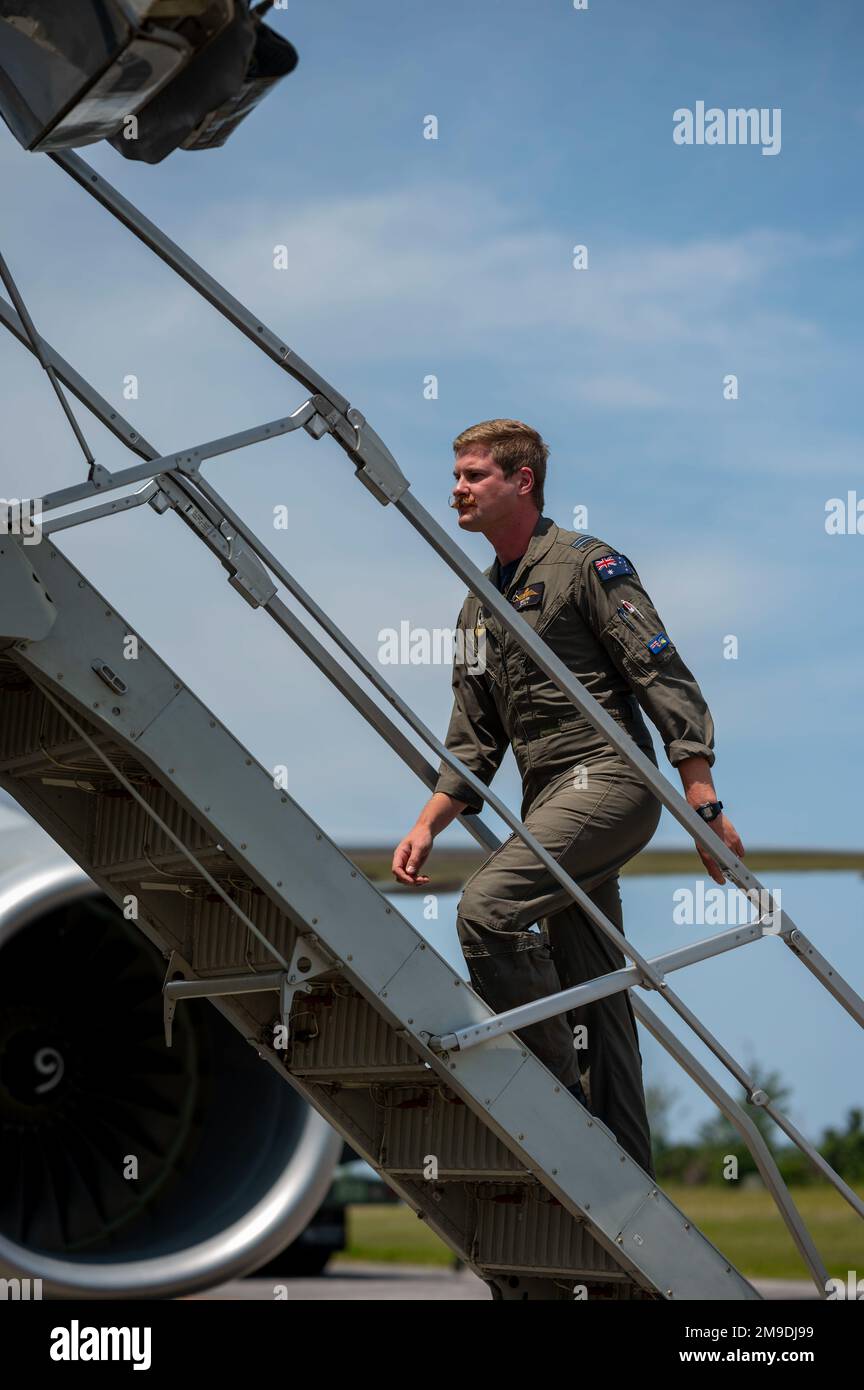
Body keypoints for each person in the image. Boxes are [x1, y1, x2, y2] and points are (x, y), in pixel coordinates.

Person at [391, 419, 744, 1175]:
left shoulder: (588, 563)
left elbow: (661, 676)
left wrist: (704, 803)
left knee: (488, 911)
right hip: (548, 801)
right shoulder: (479, 605)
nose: (456, 487)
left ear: (522, 482)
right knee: (597, 997)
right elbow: (473, 740)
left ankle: (555, 1112)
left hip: (611, 785)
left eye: (473, 475)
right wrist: (427, 823)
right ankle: (623, 1181)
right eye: (455, 475)